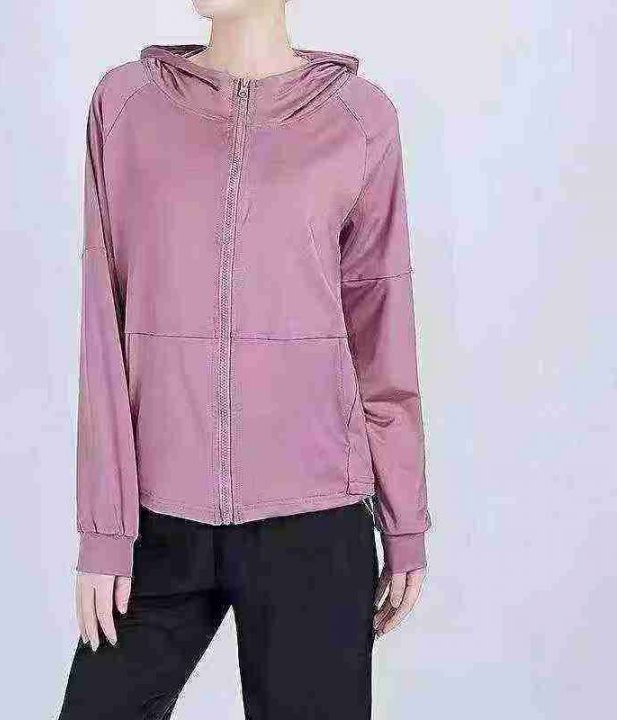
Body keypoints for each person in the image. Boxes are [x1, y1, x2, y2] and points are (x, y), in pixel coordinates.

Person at [58, 0, 432, 717]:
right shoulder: (126, 106)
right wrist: (103, 531)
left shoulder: (359, 118)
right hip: (156, 520)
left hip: (314, 519)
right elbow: (103, 328)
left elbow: (381, 332)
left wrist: (404, 519)